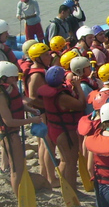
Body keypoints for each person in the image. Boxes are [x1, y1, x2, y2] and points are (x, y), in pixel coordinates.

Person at [0, 61, 44, 198]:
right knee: (16, 168)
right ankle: (20, 198)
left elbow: (16, 104)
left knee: (18, 166)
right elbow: (9, 121)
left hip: (12, 132)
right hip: (8, 134)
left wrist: (30, 109)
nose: (14, 80)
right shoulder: (0, 94)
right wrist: (32, 120)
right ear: (4, 77)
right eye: (12, 78)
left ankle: (21, 195)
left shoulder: (8, 89)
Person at [35, 66, 86, 198]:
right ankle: (72, 192)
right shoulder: (61, 96)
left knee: (64, 160)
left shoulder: (49, 92)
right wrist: (79, 87)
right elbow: (81, 105)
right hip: (64, 131)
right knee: (70, 162)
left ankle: (66, 189)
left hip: (54, 128)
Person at [25, 42, 58, 188]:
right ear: (37, 58)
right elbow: (32, 98)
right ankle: (51, 177)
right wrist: (48, 106)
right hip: (44, 113)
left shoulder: (40, 70)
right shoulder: (37, 74)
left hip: (43, 112)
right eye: (45, 55)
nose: (48, 56)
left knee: (43, 145)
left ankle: (45, 174)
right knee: (48, 145)